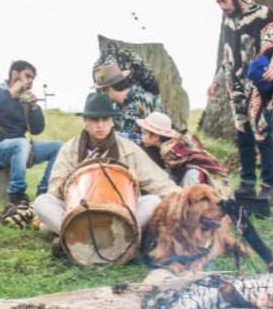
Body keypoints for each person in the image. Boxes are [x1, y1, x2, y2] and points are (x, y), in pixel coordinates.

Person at [32, 92, 181, 240]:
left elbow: (158, 181)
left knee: (152, 201)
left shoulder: (128, 149)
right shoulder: (70, 148)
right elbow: (54, 188)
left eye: (105, 119)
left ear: (112, 121)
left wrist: (186, 199)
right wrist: (72, 177)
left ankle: (103, 238)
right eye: (94, 119)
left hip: (119, 214)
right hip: (79, 213)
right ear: (85, 121)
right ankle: (80, 236)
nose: (100, 125)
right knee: (42, 202)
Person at [207, 0, 273, 204]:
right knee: (243, 134)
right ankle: (247, 182)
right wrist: (216, 81)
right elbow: (226, 55)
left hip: (259, 83)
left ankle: (269, 187)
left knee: (262, 132)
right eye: (218, 2)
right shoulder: (228, 21)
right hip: (236, 86)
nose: (222, 6)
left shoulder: (264, 15)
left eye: (224, 0)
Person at [0, 60, 62, 205]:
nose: (30, 81)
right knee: (21, 143)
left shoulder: (25, 100)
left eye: (32, 78)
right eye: (27, 76)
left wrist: (34, 107)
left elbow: (37, 129)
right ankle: (16, 194)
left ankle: (43, 191)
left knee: (59, 147)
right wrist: (12, 92)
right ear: (14, 74)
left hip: (21, 148)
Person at [136, 111, 233, 198]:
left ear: (155, 137)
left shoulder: (171, 151)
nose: (141, 137)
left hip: (195, 177)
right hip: (188, 175)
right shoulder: (168, 144)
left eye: (144, 133)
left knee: (190, 182)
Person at [94, 60, 166, 145]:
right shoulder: (114, 106)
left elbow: (154, 138)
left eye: (102, 90)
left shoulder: (145, 101)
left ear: (108, 88)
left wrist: (116, 137)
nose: (101, 94)